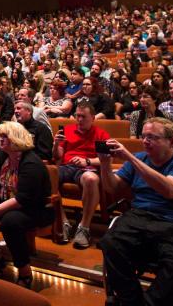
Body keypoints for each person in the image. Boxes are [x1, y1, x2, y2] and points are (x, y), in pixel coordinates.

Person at [98, 117, 173, 305]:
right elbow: (112, 188)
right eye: (144, 136)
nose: (145, 141)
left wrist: (129, 157)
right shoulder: (140, 159)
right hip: (140, 216)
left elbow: (170, 190)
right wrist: (105, 163)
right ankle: (132, 301)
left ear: (171, 141)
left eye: (152, 137)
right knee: (110, 243)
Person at [0, 121, 54, 288]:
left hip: (36, 209)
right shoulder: (3, 156)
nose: (0, 140)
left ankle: (24, 270)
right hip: (9, 201)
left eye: (4, 137)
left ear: (16, 139)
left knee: (11, 221)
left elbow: (23, 199)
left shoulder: (31, 163)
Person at [54, 101, 109, 249]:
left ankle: (84, 228)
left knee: (91, 179)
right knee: (47, 176)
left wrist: (87, 160)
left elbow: (105, 159)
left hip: (86, 168)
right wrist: (55, 144)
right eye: (77, 116)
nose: (79, 120)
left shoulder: (101, 134)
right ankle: (63, 222)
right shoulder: (67, 130)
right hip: (66, 166)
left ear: (93, 118)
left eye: (83, 117)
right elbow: (58, 156)